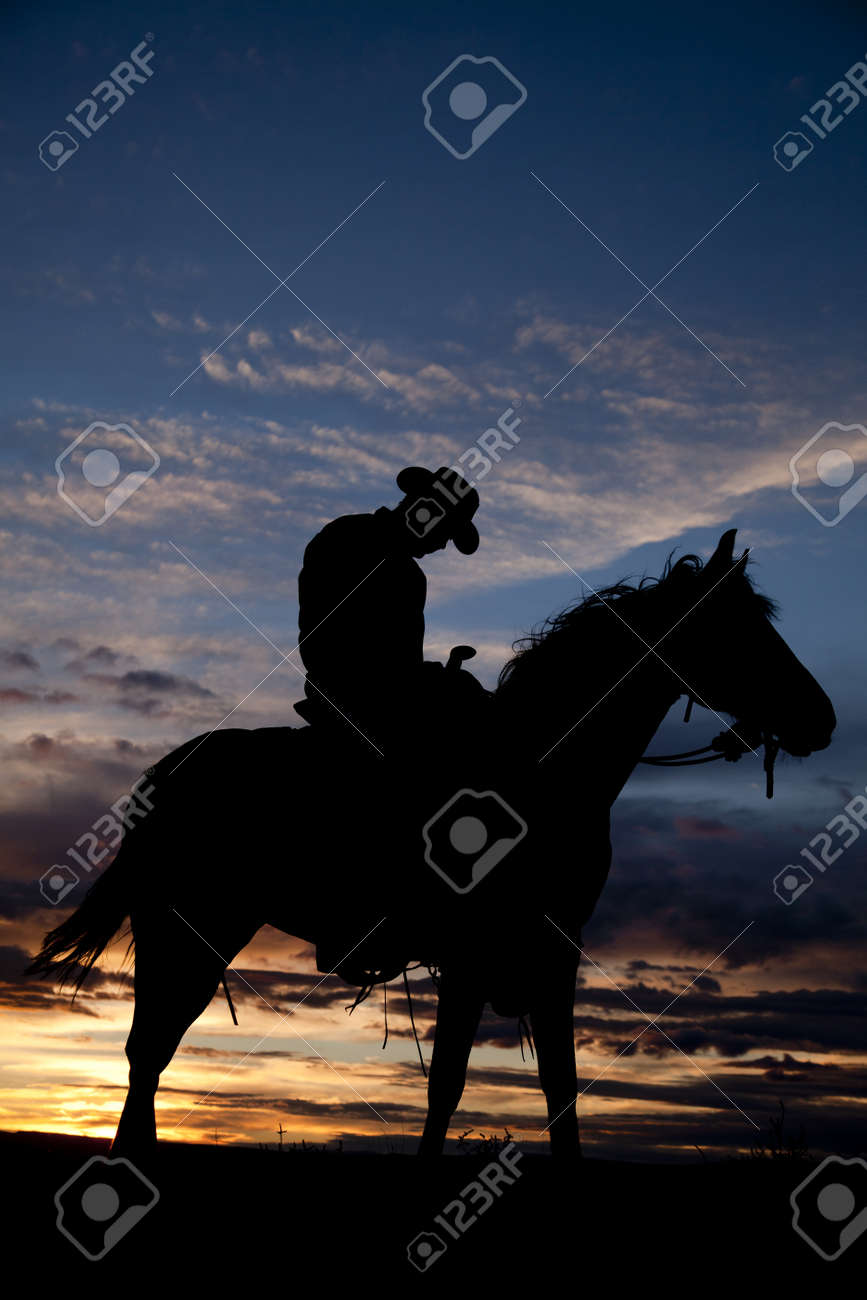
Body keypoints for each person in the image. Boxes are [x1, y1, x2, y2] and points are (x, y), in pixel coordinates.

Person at [295, 466, 486, 754]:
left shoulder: (407, 572)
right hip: (355, 702)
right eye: (446, 532)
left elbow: (402, 663)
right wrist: (435, 681)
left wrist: (429, 679)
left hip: (380, 698)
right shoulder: (351, 539)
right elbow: (366, 656)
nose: (444, 545)